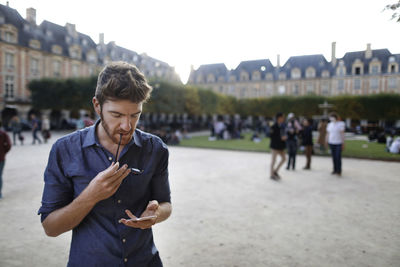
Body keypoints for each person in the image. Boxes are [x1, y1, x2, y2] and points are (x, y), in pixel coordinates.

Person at [38, 62, 172, 266]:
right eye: (117, 115)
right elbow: (51, 228)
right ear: (97, 106)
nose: (127, 126)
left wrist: (156, 214)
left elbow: (166, 204)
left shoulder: (155, 149)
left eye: (135, 115)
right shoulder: (65, 150)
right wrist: (91, 195)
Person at [270, 112, 287, 180]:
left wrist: (284, 137)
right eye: (283, 117)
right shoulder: (273, 125)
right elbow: (271, 136)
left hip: (280, 146)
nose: (284, 118)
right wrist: (280, 138)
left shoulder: (282, 125)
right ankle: (272, 174)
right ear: (279, 117)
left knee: (284, 159)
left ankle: (275, 171)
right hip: (275, 146)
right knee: (274, 160)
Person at [0, 121, 11, 198]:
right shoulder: (3, 133)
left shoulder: (3, 134)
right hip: (1, 158)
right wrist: (4, 152)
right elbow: (9, 145)